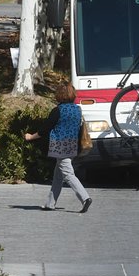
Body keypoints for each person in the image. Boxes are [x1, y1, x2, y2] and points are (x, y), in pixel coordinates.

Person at [24, 82, 92, 213]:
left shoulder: (58, 111)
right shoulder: (77, 109)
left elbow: (45, 129)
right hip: (73, 146)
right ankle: (50, 203)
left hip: (60, 147)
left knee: (68, 174)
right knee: (58, 176)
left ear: (59, 96)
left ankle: (85, 198)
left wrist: (30, 137)